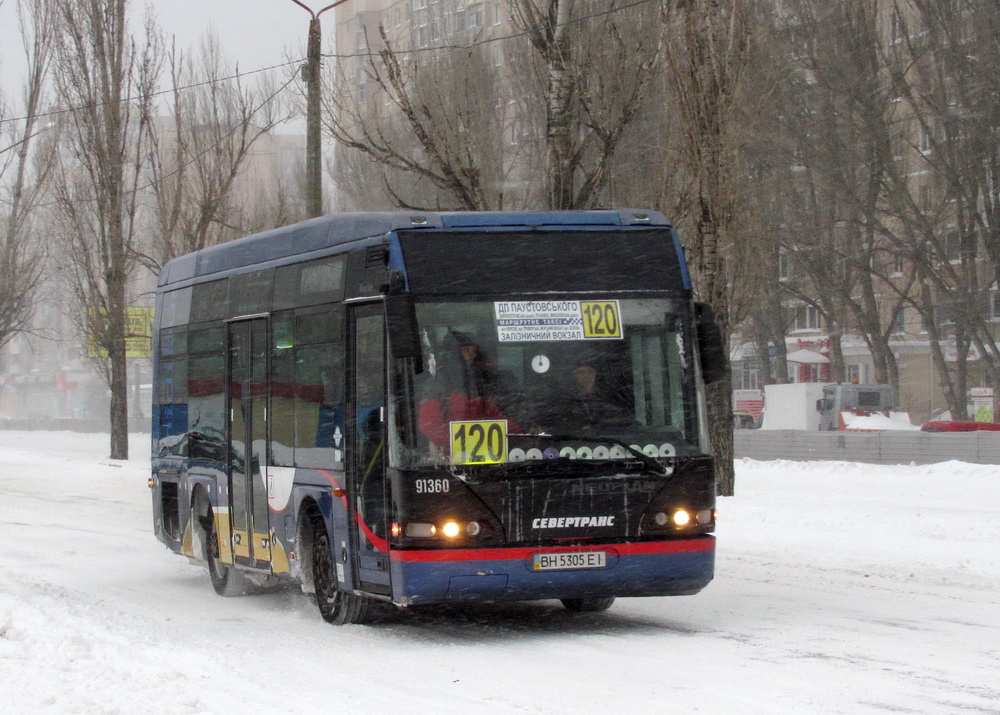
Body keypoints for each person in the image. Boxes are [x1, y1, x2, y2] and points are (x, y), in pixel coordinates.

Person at [418, 331, 522, 449]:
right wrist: (465, 443)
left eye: (474, 351)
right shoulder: (439, 383)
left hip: (484, 459)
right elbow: (428, 425)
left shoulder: (477, 383)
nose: (472, 356)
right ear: (454, 353)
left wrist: (521, 435)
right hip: (448, 463)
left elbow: (496, 417)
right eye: (466, 351)